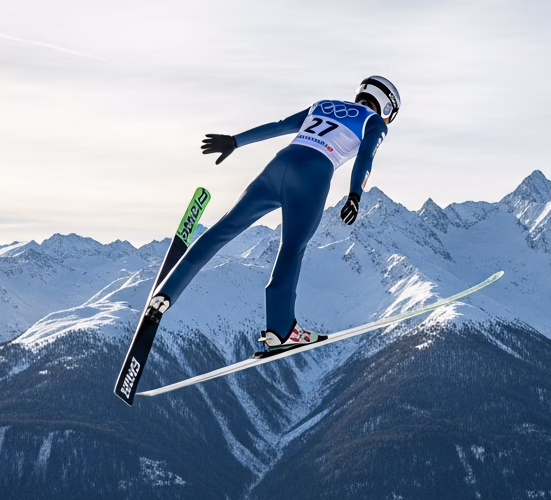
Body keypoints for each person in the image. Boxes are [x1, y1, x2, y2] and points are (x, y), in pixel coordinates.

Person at [146, 75, 399, 353]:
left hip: (279, 164)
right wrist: (355, 195)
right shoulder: (374, 123)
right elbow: (365, 157)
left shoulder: (324, 105)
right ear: (387, 107)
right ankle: (280, 331)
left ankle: (165, 293)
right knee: (291, 248)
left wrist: (235, 141)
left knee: (224, 228)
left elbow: (280, 126)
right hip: (313, 174)